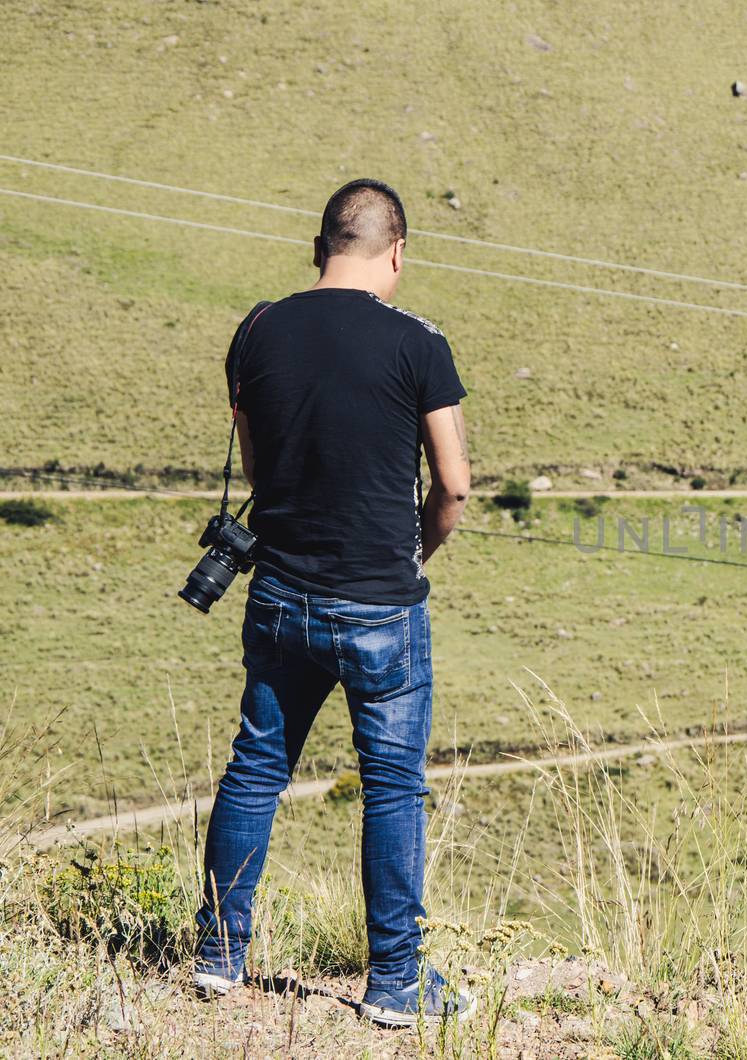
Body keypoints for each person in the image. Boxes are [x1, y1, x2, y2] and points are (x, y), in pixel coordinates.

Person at [192, 178, 474, 1027]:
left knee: (256, 769)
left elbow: (259, 468)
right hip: (382, 604)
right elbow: (455, 488)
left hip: (278, 591)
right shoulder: (419, 344)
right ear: (396, 253)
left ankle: (217, 956)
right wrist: (411, 555)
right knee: (392, 786)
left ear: (319, 248)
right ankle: (394, 983)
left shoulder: (256, 332)